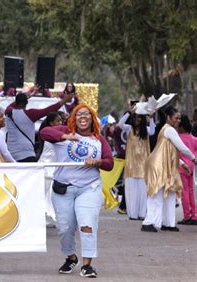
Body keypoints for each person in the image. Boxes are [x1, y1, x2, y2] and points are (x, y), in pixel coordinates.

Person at [40, 104, 114, 278]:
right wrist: (66, 136)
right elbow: (44, 133)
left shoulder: (98, 139)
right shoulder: (64, 131)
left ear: (92, 119)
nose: (83, 117)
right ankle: (71, 257)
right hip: (63, 189)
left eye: (87, 114)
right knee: (65, 228)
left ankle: (87, 265)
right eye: (79, 114)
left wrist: (97, 163)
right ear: (74, 117)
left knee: (87, 225)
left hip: (89, 188)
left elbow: (109, 162)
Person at [141, 107, 196, 232]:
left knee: (170, 193)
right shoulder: (169, 129)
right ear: (168, 118)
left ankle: (168, 223)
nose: (178, 120)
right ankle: (148, 222)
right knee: (156, 193)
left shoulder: (169, 130)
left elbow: (171, 151)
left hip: (166, 165)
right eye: (176, 118)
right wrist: (193, 158)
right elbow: (181, 147)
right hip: (158, 165)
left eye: (179, 118)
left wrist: (182, 163)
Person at [5, 92, 73, 162]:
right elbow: (48, 110)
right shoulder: (30, 114)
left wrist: (17, 101)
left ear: (16, 102)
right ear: (27, 102)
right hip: (26, 154)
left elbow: (9, 107)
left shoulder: (9, 112)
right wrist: (64, 100)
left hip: (11, 154)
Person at [117, 107, 155, 220]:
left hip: (143, 167)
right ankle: (133, 214)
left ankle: (142, 214)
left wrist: (151, 118)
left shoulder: (147, 130)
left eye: (139, 117)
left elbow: (153, 131)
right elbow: (120, 124)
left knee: (143, 193)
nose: (137, 119)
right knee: (132, 192)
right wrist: (129, 112)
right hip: (131, 166)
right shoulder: (129, 129)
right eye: (135, 117)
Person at [37, 112, 63, 226]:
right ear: (51, 123)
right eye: (58, 121)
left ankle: (50, 217)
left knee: (50, 195)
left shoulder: (58, 134)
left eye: (61, 121)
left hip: (53, 168)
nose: (60, 123)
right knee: (45, 194)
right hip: (47, 168)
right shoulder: (50, 135)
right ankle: (45, 216)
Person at [176, 115, 197, 225]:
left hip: (182, 168)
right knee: (191, 191)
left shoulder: (177, 138)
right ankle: (194, 215)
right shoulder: (193, 138)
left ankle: (186, 216)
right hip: (192, 167)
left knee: (184, 192)